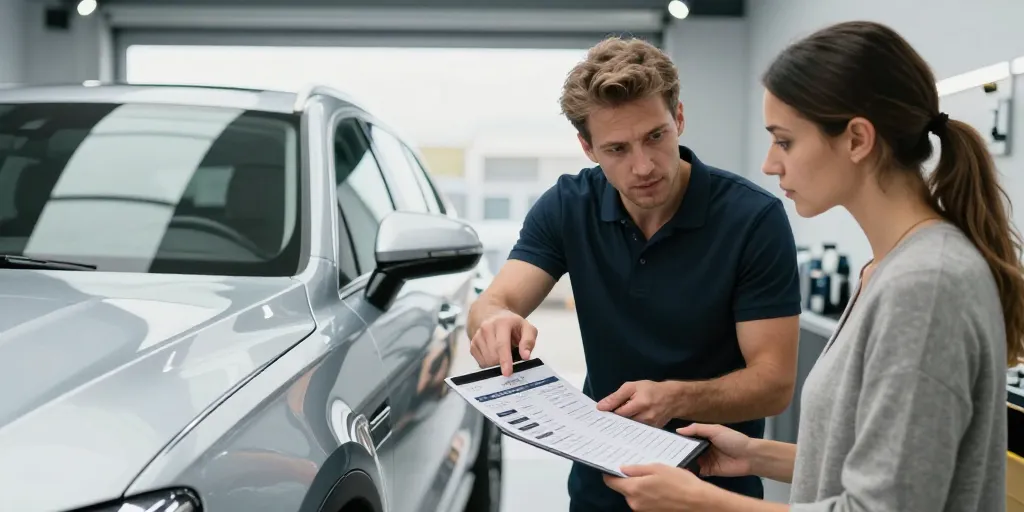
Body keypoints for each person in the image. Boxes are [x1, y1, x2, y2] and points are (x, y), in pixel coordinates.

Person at [602, 20, 1021, 512]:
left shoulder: (925, 286)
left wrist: (700, 503)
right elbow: (887, 466)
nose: (769, 164)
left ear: (857, 139)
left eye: (785, 141)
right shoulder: (889, 269)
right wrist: (757, 455)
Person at [466, 36, 804, 510]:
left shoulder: (753, 219)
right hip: (601, 485)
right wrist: (493, 322)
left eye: (656, 137)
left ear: (679, 119)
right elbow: (492, 305)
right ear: (587, 147)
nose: (643, 166)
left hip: (715, 490)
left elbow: (773, 384)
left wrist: (672, 399)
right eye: (617, 149)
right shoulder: (567, 206)